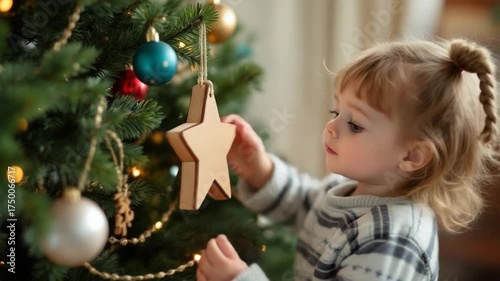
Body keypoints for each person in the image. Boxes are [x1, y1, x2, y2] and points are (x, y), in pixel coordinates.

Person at [195, 38, 500, 281]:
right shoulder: (350, 189)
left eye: (354, 125)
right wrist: (257, 166)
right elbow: (302, 202)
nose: (331, 126)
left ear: (412, 155)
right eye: (336, 112)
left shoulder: (395, 240)